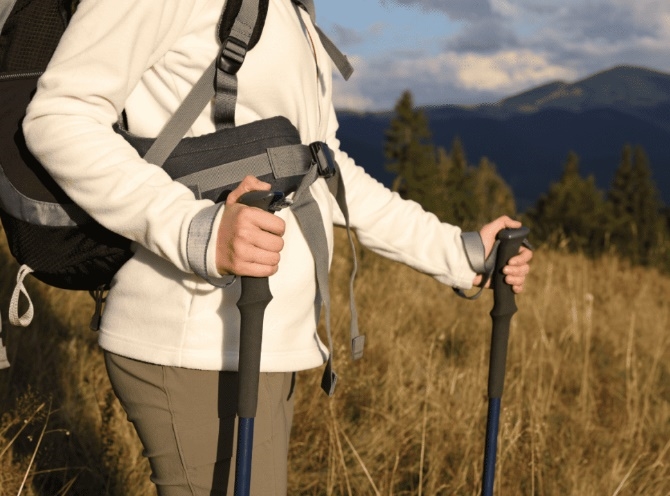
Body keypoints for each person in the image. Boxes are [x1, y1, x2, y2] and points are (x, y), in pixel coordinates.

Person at [22, 0, 533, 494]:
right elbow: (59, 116)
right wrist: (194, 230)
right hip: (195, 340)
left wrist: (456, 251)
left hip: (260, 336)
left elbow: (322, 167)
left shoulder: (294, 10)